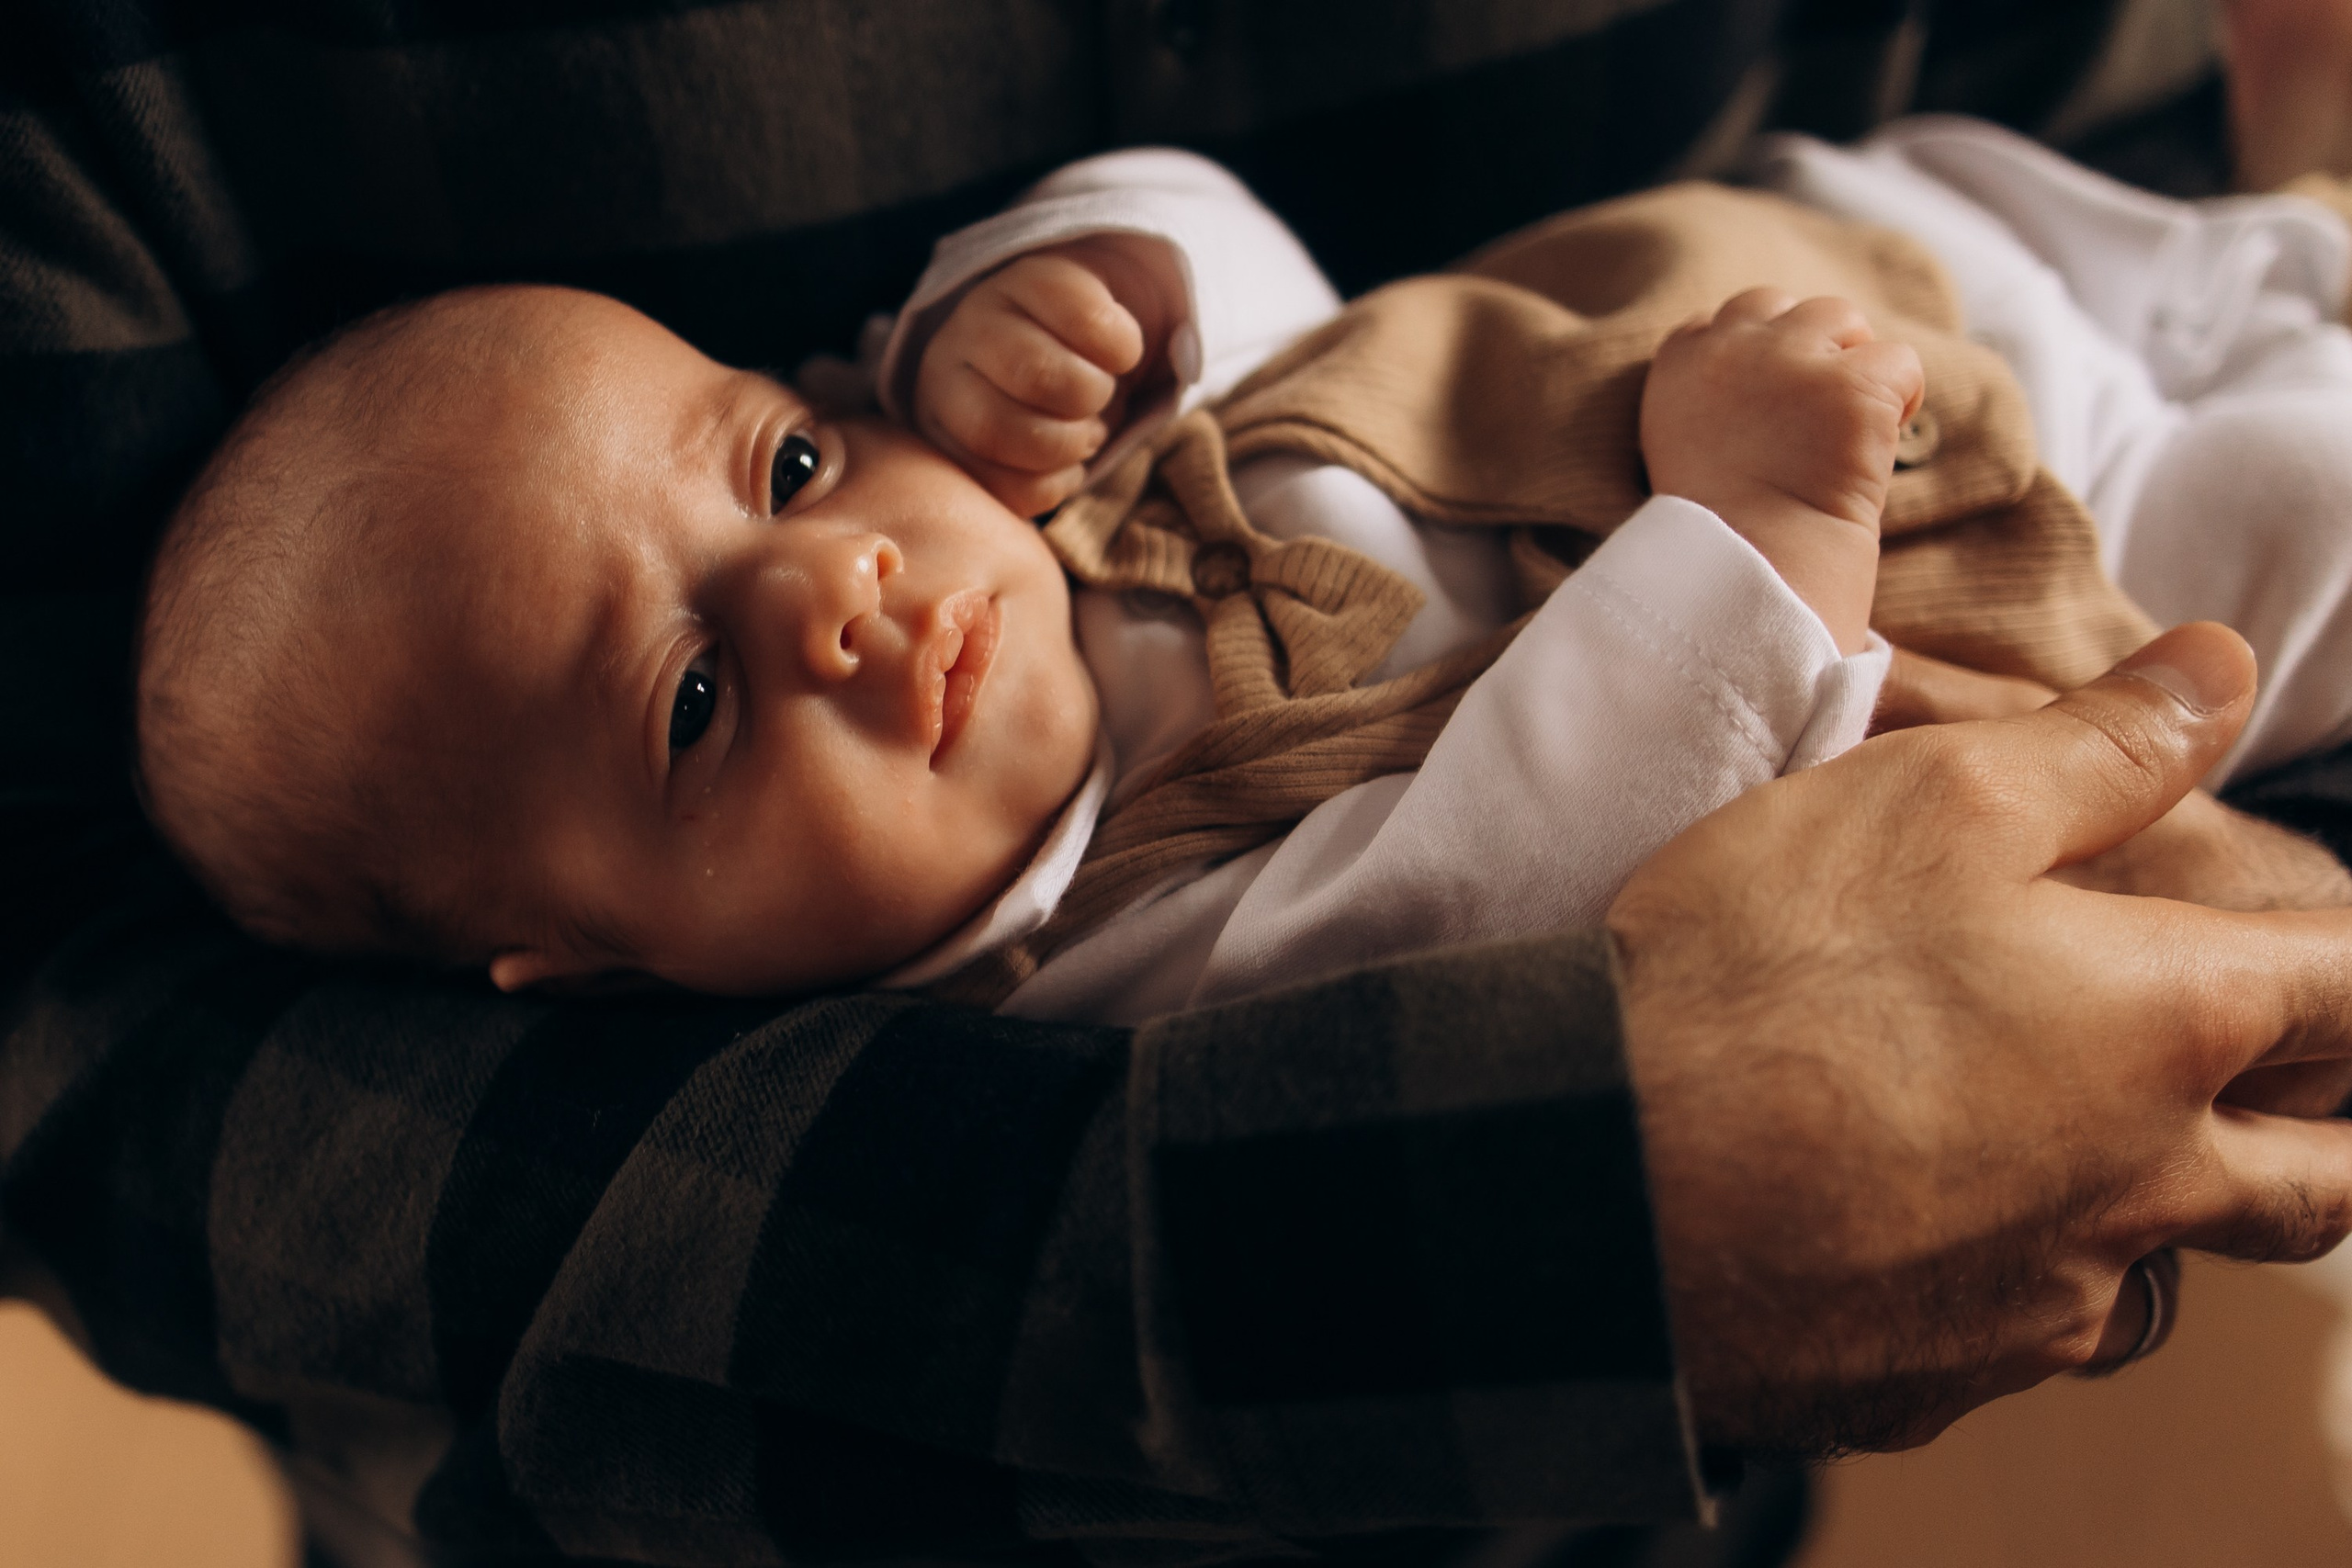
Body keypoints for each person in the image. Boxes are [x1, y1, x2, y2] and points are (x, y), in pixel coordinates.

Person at [11, 5, 2352, 1566]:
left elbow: (1255, 262)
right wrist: (1757, 539)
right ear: (586, 963)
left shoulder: (973, 491)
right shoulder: (1121, 963)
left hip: (1913, 233)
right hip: (2023, 529)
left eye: (787, 456)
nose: (831, 583)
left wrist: (1068, 281)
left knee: (2226, 245)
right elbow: (1577, 864)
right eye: (693, 709)